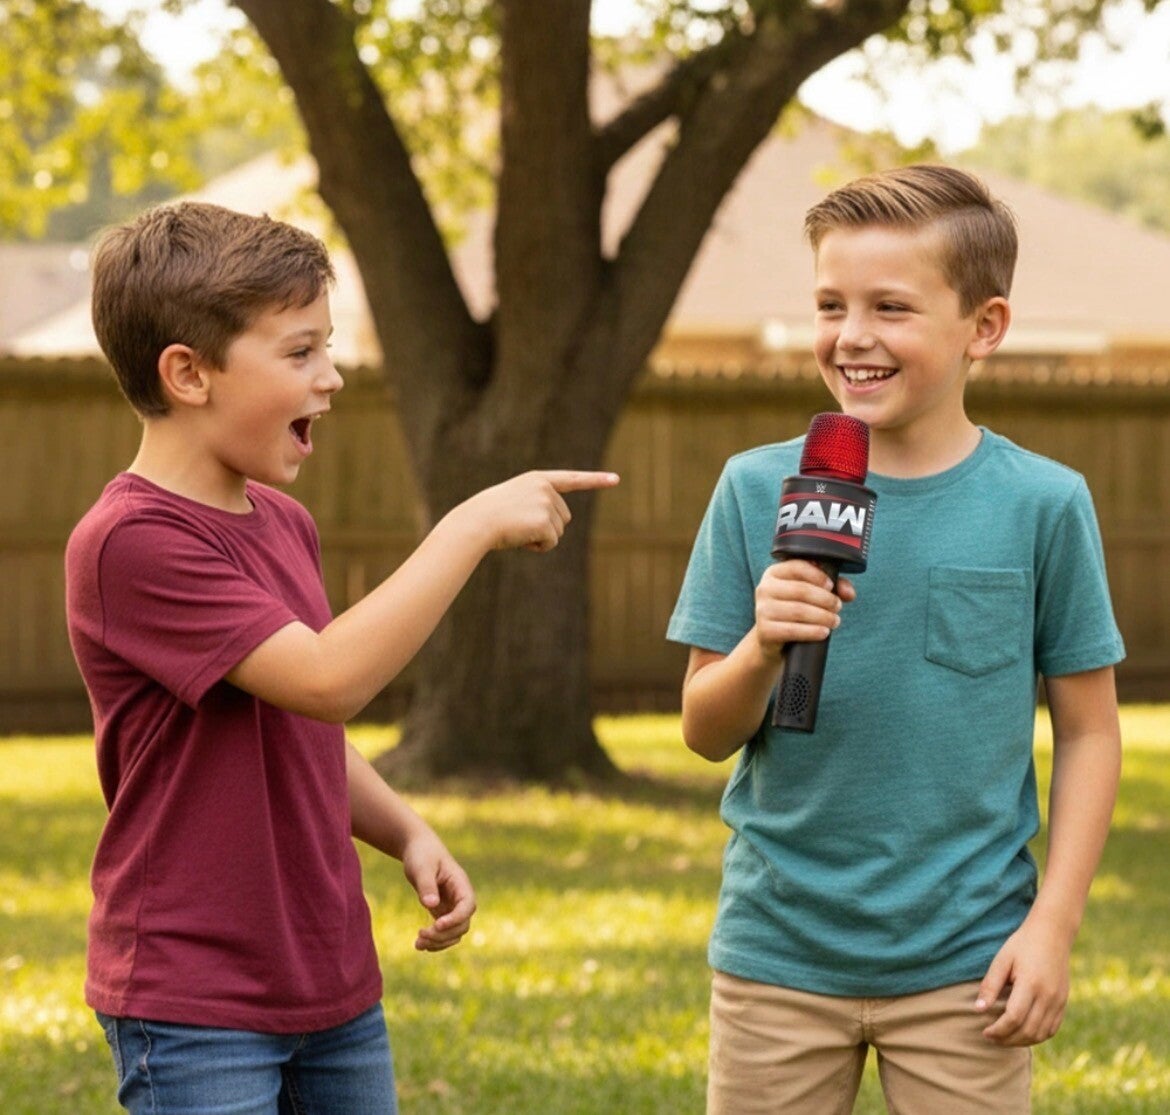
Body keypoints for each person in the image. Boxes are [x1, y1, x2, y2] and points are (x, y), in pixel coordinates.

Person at [65, 200, 619, 1115]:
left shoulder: (284, 522)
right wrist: (470, 524)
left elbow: (298, 726)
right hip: (194, 996)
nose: (332, 375)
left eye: (327, 346)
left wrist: (405, 831)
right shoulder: (131, 541)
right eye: (300, 352)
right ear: (189, 373)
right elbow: (330, 679)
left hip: (329, 977)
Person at [667, 165, 1124, 1114]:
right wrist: (761, 644)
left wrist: (1052, 927)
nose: (852, 334)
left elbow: (1089, 730)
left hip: (969, 962)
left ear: (983, 327)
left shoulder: (1043, 503)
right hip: (776, 954)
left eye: (891, 307)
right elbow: (705, 730)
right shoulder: (754, 489)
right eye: (830, 304)